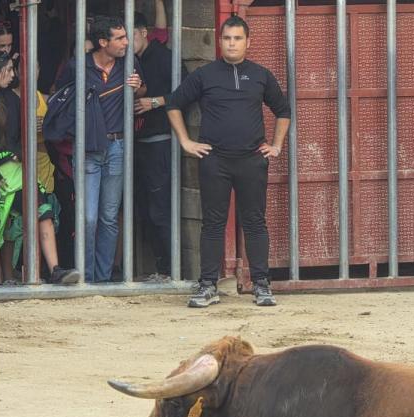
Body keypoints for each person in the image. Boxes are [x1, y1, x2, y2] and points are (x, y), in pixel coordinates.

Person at [166, 14, 290, 307]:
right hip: (215, 159)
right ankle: (207, 285)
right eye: (226, 39)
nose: (231, 44)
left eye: (237, 38)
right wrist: (186, 141)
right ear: (220, 41)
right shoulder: (205, 74)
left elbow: (283, 110)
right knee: (212, 223)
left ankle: (261, 285)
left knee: (255, 222)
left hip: (251, 160)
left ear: (248, 42)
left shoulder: (261, 74)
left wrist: (276, 146)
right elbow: (173, 104)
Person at [57, 16, 146, 282]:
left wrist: (137, 88)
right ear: (102, 42)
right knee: (88, 218)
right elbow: (60, 101)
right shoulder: (78, 66)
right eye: (119, 38)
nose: (126, 42)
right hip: (87, 148)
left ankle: (104, 278)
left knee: (108, 217)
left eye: (126, 36)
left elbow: (144, 90)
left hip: (118, 145)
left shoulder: (130, 62)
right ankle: (85, 277)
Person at [0, 50, 80, 285]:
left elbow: (19, 137)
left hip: (19, 173)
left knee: (44, 212)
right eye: (9, 70)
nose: (13, 74)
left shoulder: (11, 99)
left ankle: (56, 269)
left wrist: (19, 153)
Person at [131, 1, 186, 282]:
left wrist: (155, 101)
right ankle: (161, 268)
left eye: (131, 36)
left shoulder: (164, 57)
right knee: (145, 211)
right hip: (137, 145)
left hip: (159, 142)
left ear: (143, 32)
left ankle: (170, 270)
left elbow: (187, 90)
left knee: (160, 209)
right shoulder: (129, 62)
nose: (126, 43)